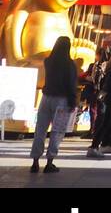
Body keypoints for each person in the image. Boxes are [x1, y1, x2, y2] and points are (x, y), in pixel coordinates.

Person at [30, 36, 79, 173]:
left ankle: (35, 161)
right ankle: (50, 162)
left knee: (40, 130)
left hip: (45, 98)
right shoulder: (70, 65)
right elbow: (71, 85)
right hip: (61, 100)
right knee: (57, 131)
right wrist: (73, 100)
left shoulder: (48, 61)